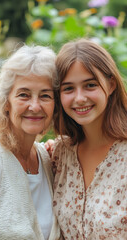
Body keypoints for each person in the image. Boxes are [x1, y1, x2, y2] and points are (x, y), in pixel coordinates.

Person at [48, 38, 127, 239]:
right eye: (68, 88)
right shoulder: (60, 154)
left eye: (90, 85)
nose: (80, 97)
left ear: (110, 85)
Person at [0, 44, 62, 240]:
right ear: (6, 102)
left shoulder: (47, 158)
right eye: (23, 94)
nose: (35, 106)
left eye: (45, 96)